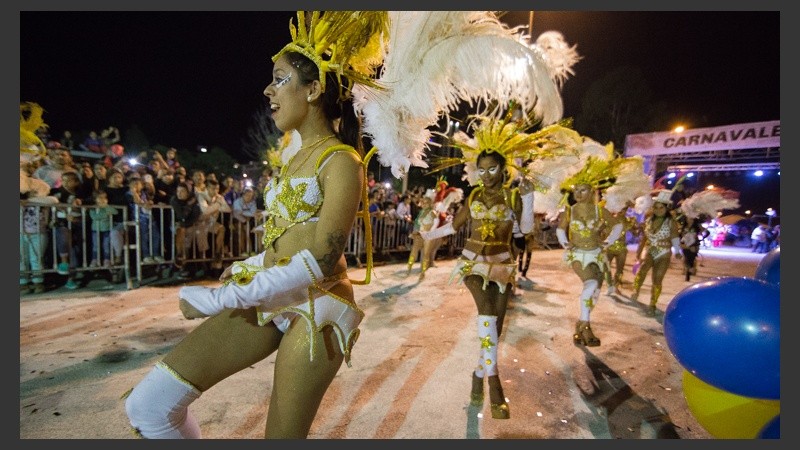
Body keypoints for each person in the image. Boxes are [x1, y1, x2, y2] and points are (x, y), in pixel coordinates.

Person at [124, 11, 389, 438]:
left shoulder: (341, 161)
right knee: (150, 406)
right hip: (273, 291)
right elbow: (286, 235)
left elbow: (322, 258)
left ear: (315, 89)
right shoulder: (293, 156)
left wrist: (221, 298)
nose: (268, 89)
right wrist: (251, 262)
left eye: (280, 79)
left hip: (317, 306)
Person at [421, 141, 538, 420]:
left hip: (502, 266)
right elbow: (453, 226)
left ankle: (477, 374)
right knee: (486, 316)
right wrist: (426, 236)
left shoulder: (512, 197)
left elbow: (525, 230)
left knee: (494, 329)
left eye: (492, 169)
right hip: (473, 264)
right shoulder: (473, 196)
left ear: (503, 169)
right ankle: (494, 384)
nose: (485, 175)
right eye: (481, 170)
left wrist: (530, 198)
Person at [631, 190, 683, 316]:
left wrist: (677, 251)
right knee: (642, 271)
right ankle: (636, 291)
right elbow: (644, 238)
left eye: (661, 208)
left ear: (666, 208)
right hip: (650, 250)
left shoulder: (670, 222)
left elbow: (675, 237)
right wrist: (639, 251)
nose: (658, 210)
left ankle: (652, 304)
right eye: (656, 207)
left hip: (664, 253)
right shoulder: (648, 220)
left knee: (657, 279)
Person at [406, 194, 439, 279]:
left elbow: (436, 221)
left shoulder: (432, 212)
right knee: (414, 251)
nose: (424, 204)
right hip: (420, 233)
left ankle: (423, 273)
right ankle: (409, 268)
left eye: (426, 203)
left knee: (425, 254)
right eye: (423, 203)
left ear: (429, 203)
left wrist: (431, 231)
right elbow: (418, 223)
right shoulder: (421, 212)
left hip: (428, 235)